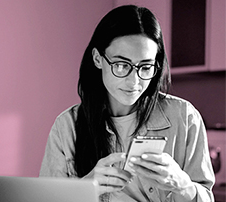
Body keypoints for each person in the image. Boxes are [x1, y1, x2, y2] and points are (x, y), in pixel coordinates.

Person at [39, 5, 215, 202]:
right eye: (122, 65)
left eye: (145, 67)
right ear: (98, 58)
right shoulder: (67, 127)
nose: (134, 82)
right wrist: (85, 188)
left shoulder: (184, 117)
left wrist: (182, 185)